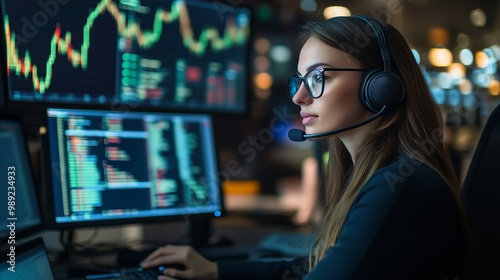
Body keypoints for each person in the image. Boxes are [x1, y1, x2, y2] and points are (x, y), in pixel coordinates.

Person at [141, 15, 469, 280]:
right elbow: (316, 268)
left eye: (317, 77)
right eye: (299, 80)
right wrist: (217, 271)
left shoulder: (397, 185)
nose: (299, 97)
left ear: (380, 87)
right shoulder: (384, 175)